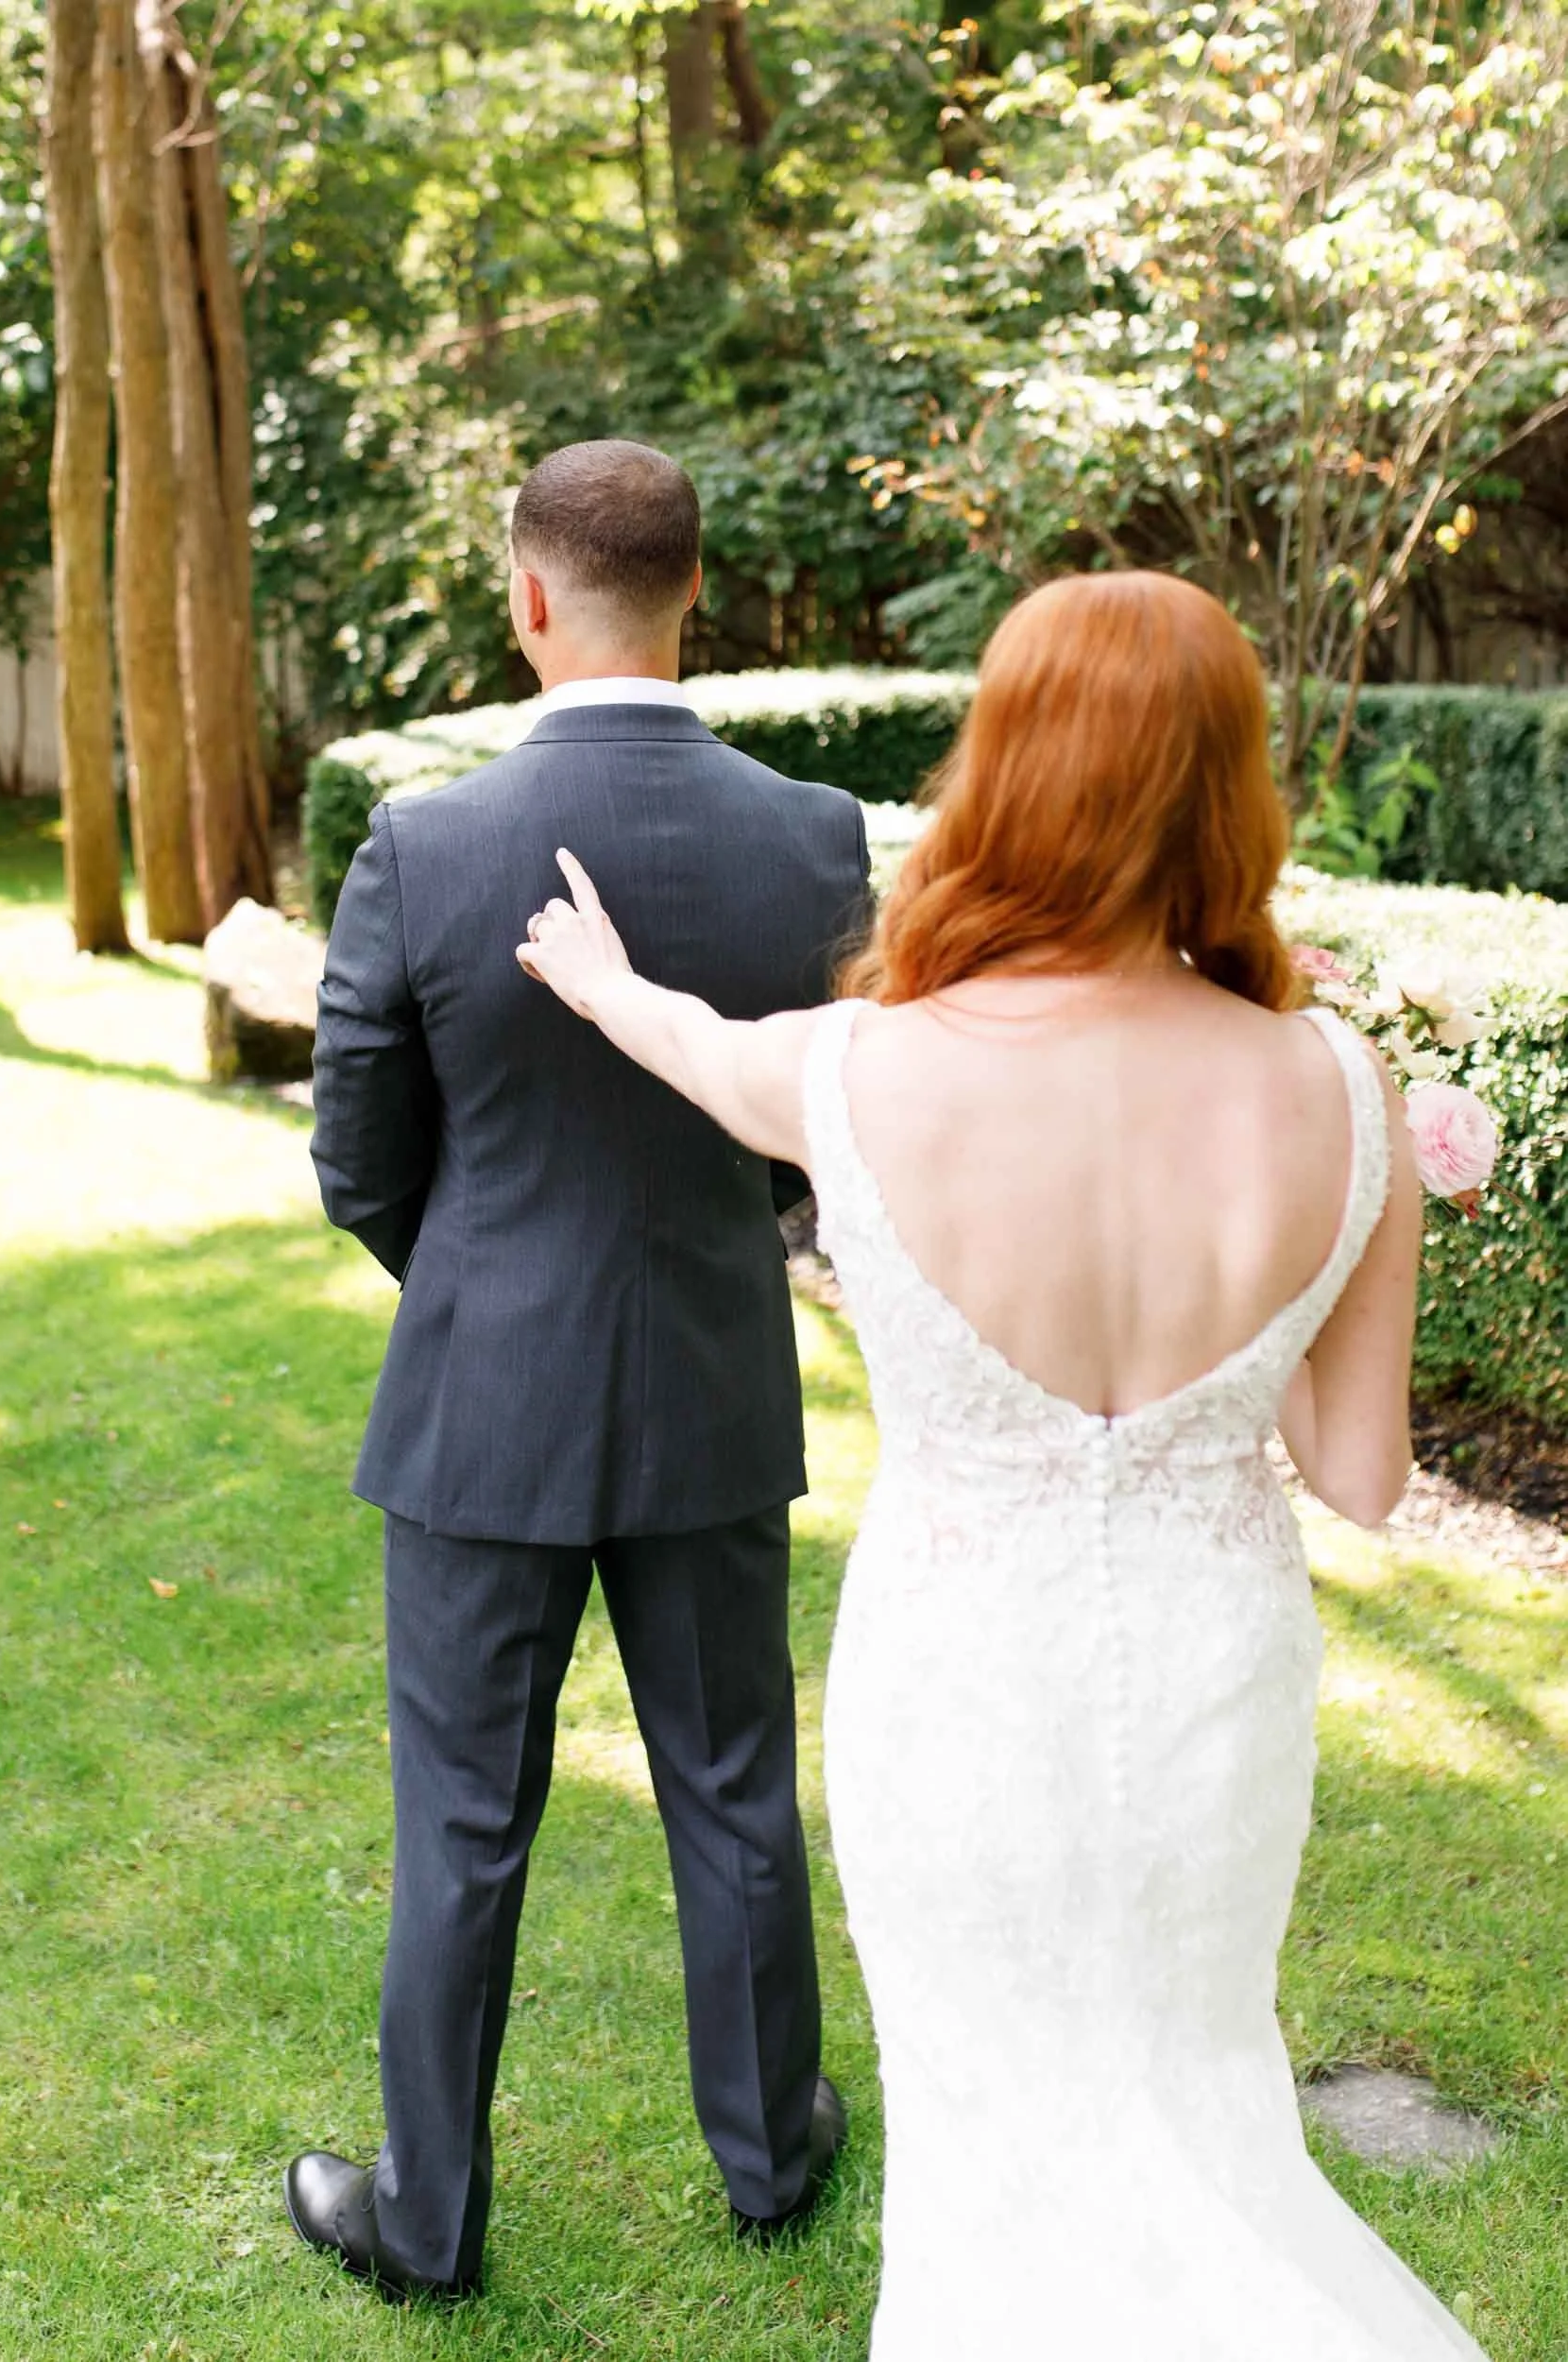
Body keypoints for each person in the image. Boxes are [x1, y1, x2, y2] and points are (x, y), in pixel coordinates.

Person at [517, 572, 1491, 2359]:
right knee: (1199, 2090)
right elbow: (1355, 1476)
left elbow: (705, 1055)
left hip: (953, 1681)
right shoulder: (1338, 1085)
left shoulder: (866, 1066)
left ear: (1008, 769)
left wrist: (596, 979)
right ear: (1230, 786)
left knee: (989, 2129)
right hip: (1214, 1672)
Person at [286, 440, 867, 2301]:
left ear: (528, 597)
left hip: (484, 1399)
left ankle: (428, 2221)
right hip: (706, 1378)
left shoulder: (422, 842)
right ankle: (775, 2154)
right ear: (692, 595)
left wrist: (469, 1284)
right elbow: (813, 1137)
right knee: (733, 1784)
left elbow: (358, 1157)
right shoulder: (809, 836)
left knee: (461, 1815)